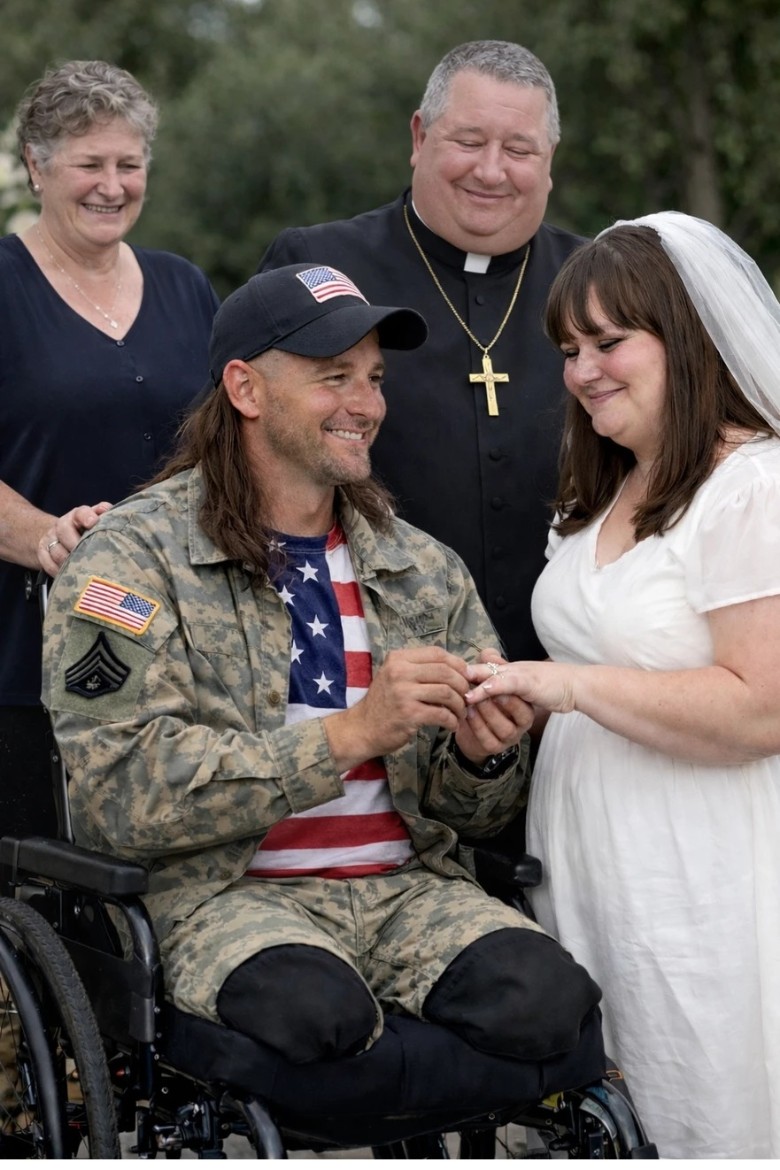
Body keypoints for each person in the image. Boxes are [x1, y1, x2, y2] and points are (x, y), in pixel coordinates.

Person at [40, 263, 601, 1068]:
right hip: (225, 901)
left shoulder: (423, 569)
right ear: (246, 389)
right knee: (316, 1021)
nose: (366, 404)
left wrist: (486, 753)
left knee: (547, 1004)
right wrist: (350, 734)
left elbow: (470, 816)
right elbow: (122, 793)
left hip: (407, 891)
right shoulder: (131, 559)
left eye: (373, 379)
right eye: (333, 377)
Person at [465, 212, 780, 1158]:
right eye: (569, 349)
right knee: (609, 1097)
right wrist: (515, 709)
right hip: (589, 849)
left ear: (684, 339)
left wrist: (565, 686)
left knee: (706, 1090)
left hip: (706, 856)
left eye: (609, 342)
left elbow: (762, 707)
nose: (583, 370)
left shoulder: (751, 487)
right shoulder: (600, 489)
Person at [259, 40, 583, 663]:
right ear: (419, 136)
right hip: (361, 668)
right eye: (468, 141)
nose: (491, 171)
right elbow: (235, 454)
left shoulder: (597, 283)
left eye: (519, 150)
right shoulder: (316, 265)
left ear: (549, 161)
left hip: (568, 683)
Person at [0, 60, 219, 842]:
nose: (112, 184)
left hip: (185, 654)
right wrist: (44, 536)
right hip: (30, 655)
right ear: (37, 165)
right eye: (89, 163)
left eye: (129, 164)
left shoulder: (186, 287)